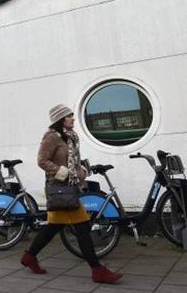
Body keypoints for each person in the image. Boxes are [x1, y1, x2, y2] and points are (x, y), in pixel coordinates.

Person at [20, 104, 123, 284]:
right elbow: (42, 160)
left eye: (72, 115)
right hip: (60, 188)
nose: (73, 118)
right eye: (69, 116)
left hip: (68, 188)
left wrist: (81, 171)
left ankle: (29, 257)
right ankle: (97, 270)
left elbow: (73, 162)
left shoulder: (70, 137)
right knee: (82, 228)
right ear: (60, 119)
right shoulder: (52, 137)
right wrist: (64, 173)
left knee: (53, 227)